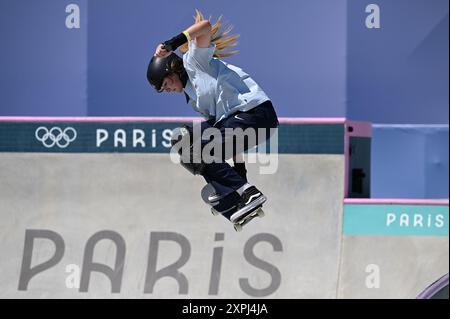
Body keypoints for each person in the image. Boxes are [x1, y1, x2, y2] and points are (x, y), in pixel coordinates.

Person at [147, 10, 279, 224]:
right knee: (185, 142)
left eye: (166, 84)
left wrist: (172, 43)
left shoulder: (194, 62)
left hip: (256, 113)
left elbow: (205, 26)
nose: (168, 90)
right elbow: (231, 138)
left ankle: (246, 192)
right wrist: (239, 172)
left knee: (199, 148)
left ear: (172, 70)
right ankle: (237, 197)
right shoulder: (194, 100)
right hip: (238, 122)